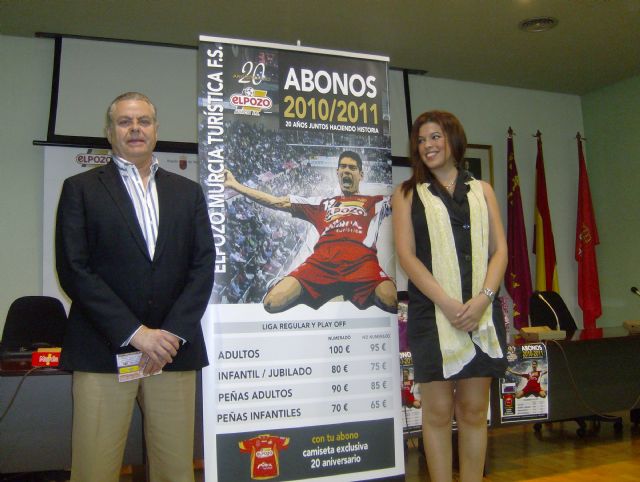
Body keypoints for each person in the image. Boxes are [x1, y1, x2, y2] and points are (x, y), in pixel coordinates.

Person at [55, 92, 215, 482]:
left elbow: (202, 267)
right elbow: (74, 269)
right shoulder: (80, 188)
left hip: (172, 353)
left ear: (156, 130)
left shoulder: (188, 193)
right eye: (125, 122)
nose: (135, 129)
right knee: (94, 470)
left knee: (176, 470)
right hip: (103, 351)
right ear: (110, 132)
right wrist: (136, 333)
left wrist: (170, 333)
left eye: (143, 121)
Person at [392, 111, 507, 482]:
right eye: (421, 140)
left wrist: (484, 299)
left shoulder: (483, 190)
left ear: (453, 139)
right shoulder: (406, 194)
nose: (427, 145)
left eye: (435, 137)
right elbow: (406, 257)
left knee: (473, 410)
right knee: (438, 412)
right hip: (433, 314)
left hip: (480, 314)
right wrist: (446, 302)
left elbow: (500, 252)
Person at [224, 151, 397, 313]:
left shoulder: (378, 202)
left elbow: (404, 201)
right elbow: (277, 202)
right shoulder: (321, 203)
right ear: (337, 173)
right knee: (272, 302)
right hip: (322, 264)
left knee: (391, 300)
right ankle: (286, 284)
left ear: (361, 174)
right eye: (343, 167)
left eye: (352, 168)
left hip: (362, 264)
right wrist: (236, 185)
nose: (346, 171)